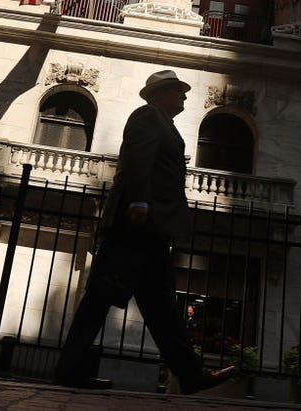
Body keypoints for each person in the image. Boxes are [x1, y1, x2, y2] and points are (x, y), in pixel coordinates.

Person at [53, 69, 237, 393]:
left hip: (150, 229)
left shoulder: (164, 122)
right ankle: (69, 370)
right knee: (103, 297)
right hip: (135, 227)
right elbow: (139, 161)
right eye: (177, 90)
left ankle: (190, 374)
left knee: (160, 305)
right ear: (159, 93)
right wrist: (139, 202)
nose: (183, 96)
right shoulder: (147, 115)